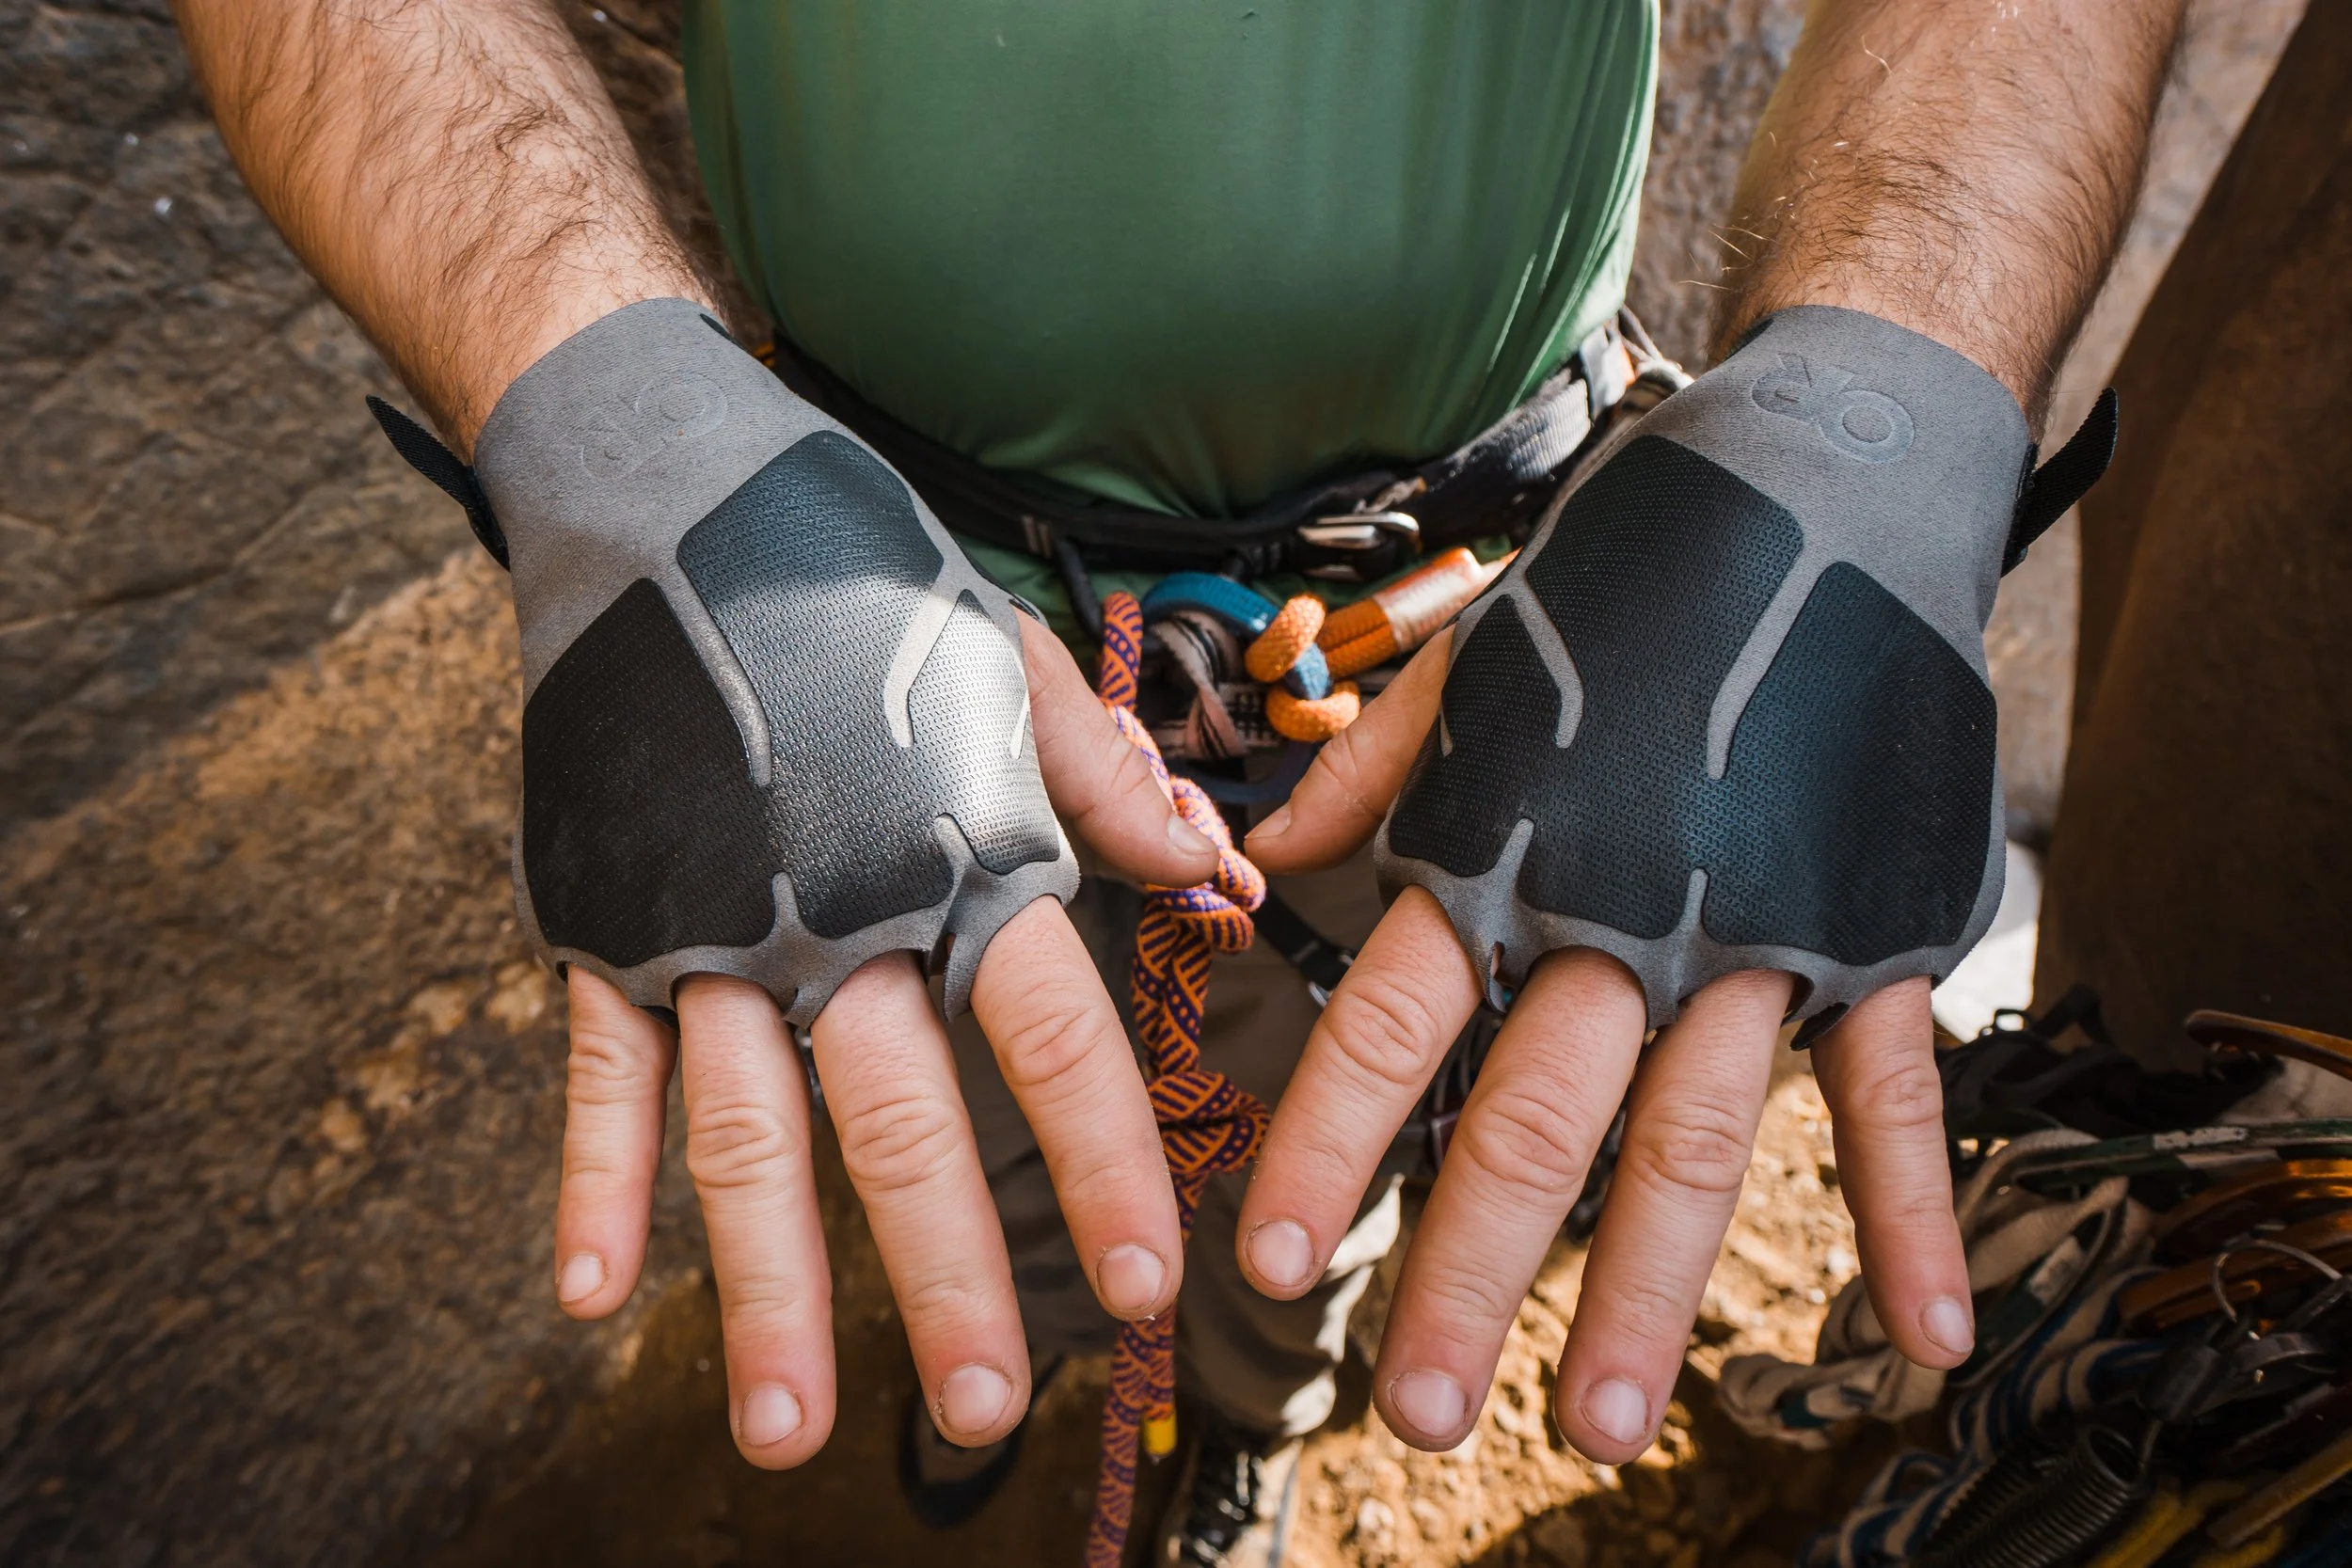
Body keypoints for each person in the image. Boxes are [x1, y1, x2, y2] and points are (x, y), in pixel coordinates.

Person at [174, 2, 2183, 1561]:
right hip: (863, 554)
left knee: (1337, 1138)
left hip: (1461, 614)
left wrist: (1882, 397)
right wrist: (589, 388)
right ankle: (1029, 1371)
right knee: (957, 1081)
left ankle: (1234, 1413)